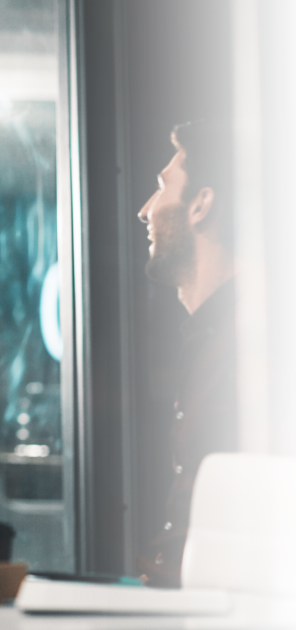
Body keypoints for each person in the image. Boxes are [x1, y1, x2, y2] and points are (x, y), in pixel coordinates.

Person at [134, 119, 296, 586]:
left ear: (201, 204)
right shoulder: (220, 331)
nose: (146, 210)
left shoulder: (267, 329)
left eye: (162, 187)